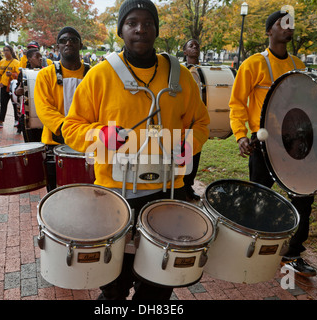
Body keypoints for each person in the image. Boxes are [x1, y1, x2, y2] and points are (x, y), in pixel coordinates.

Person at [62, 0, 210, 300]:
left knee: (159, 281)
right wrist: (99, 135)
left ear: (156, 28)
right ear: (121, 30)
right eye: (132, 23)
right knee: (113, 281)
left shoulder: (180, 76)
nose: (140, 29)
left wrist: (188, 142)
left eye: (148, 22)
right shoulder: (100, 75)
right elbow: (71, 127)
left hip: (167, 193)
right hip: (114, 194)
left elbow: (201, 122)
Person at [229, 10, 316, 277]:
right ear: (269, 31)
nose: (289, 28)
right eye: (282, 23)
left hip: (295, 144)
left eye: (291, 24)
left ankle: (292, 254)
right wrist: (241, 135)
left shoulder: (299, 66)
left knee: (303, 197)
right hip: (263, 145)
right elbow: (237, 103)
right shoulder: (253, 64)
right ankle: (251, 249)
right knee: (259, 198)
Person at [34, 26, 90, 192]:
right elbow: (44, 109)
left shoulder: (93, 74)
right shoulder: (45, 75)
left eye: (73, 40)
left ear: (81, 45)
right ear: (57, 46)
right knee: (56, 194)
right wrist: (68, 130)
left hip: (89, 143)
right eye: (63, 40)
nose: (68, 43)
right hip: (54, 144)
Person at [181, 38, 205, 201]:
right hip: (182, 117)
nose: (195, 47)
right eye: (191, 46)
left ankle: (188, 185)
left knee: (195, 152)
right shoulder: (179, 70)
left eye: (196, 46)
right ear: (185, 52)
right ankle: (179, 184)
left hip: (197, 117)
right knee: (181, 151)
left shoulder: (204, 71)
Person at [15, 49, 46, 140]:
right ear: (29, 59)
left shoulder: (47, 71)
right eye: (37, 57)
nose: (40, 59)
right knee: (31, 143)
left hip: (44, 111)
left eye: (41, 56)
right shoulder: (24, 73)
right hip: (28, 112)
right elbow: (17, 91)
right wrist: (18, 91)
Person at [0, 45, 20, 129]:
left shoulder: (16, 62)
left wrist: (12, 74)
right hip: (3, 86)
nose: (5, 52)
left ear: (11, 51)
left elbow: (19, 75)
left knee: (15, 104)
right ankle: (0, 121)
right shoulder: (2, 61)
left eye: (7, 50)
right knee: (3, 104)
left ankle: (17, 120)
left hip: (13, 87)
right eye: (4, 50)